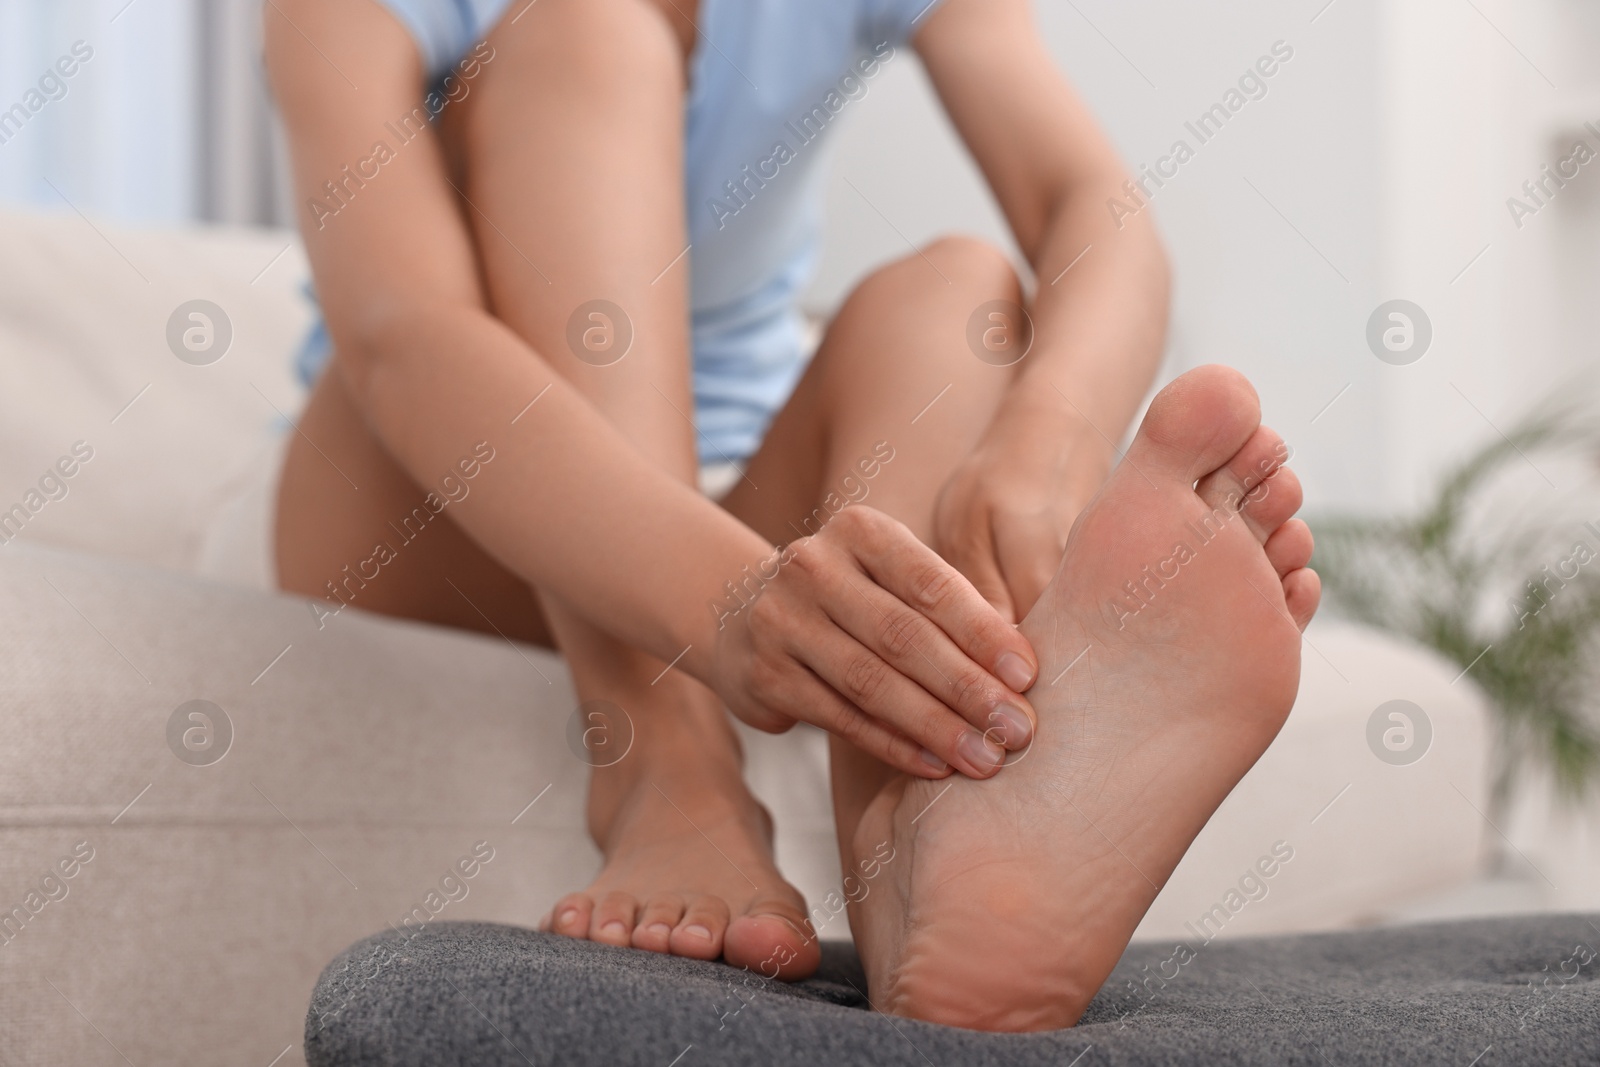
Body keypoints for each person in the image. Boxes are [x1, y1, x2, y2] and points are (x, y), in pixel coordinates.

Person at [265, 0, 1320, 1031]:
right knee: (586, 28)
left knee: (956, 290)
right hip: (417, 504)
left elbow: (1092, 201)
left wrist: (1045, 445)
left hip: (731, 483)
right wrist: (723, 601)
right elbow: (401, 333)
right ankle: (662, 762)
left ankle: (913, 833)